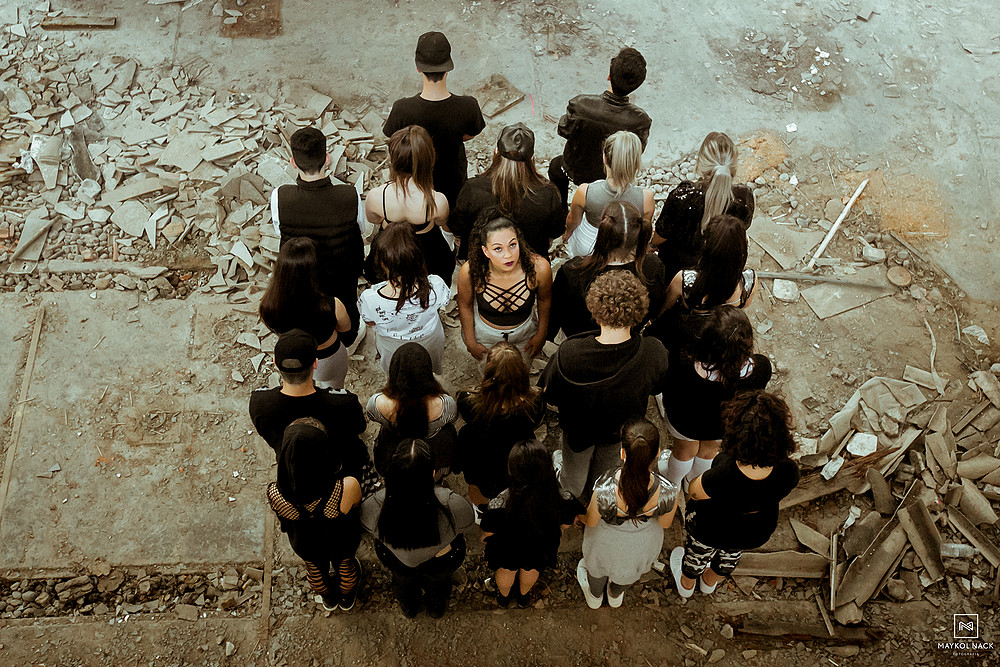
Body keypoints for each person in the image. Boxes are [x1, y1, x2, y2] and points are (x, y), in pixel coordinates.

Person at [540, 271, 669, 500]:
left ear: (595, 308)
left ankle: (570, 495)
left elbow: (551, 396)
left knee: (573, 479)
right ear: (639, 309)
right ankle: (597, 498)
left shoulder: (569, 353)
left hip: (578, 432)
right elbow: (657, 388)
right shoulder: (654, 353)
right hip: (618, 433)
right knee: (606, 474)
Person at [669, 390, 799, 598]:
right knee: (730, 556)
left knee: (697, 554)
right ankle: (709, 583)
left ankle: (687, 583)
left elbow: (694, 492)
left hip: (712, 527)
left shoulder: (724, 471)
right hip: (754, 530)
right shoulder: (789, 470)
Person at [657, 306, 773, 490]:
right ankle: (692, 485)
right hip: (723, 424)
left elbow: (669, 389)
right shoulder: (761, 368)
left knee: (684, 451)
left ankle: (672, 483)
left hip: (685, 421)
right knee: (709, 452)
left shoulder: (685, 363)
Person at [270, 126, 365, 347]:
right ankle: (347, 340)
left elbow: (280, 231)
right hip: (342, 274)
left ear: (293, 162)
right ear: (328, 158)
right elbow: (359, 229)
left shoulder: (280, 196)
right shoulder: (349, 195)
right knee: (348, 306)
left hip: (301, 273)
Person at [361, 439, 476, 618]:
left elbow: (366, 523)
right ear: (432, 473)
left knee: (402, 582)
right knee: (439, 584)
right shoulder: (453, 504)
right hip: (441, 561)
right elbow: (468, 523)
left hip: (396, 558)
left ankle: (409, 609)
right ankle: (436, 610)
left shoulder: (373, 506)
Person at [248, 330, 375, 492]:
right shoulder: (343, 402)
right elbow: (360, 427)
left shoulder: (260, 402)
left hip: (293, 466)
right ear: (315, 363)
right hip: (342, 467)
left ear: (275, 362)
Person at [578, 417, 678, 609]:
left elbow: (590, 521)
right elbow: (665, 524)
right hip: (643, 543)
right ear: (657, 453)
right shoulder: (669, 491)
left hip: (605, 541)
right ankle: (615, 595)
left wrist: (579, 517)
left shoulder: (605, 490)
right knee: (630, 571)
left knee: (597, 568)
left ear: (622, 453)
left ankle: (595, 596)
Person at [383, 31, 486, 209]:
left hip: (415, 185)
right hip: (453, 184)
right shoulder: (468, 106)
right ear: (448, 67)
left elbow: (393, 141)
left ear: (418, 67)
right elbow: (469, 134)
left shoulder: (402, 109)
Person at [267, 418, 362, 611]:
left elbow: (283, 521)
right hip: (340, 539)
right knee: (346, 566)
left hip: (306, 543)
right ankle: (346, 598)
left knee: (315, 570)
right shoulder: (347, 486)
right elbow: (357, 505)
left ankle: (328, 598)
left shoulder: (274, 493)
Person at [481, 440, 583, 608]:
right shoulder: (562, 498)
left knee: (506, 571)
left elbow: (488, 531)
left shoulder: (499, 503)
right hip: (541, 544)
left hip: (507, 546)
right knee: (531, 570)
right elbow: (566, 523)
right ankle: (523, 597)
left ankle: (504, 599)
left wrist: (484, 536)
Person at [548, 48, 652, 206]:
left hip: (575, 169)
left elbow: (563, 130)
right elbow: (637, 149)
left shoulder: (580, 104)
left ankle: (561, 207)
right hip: (613, 175)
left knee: (556, 168)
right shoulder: (640, 121)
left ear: (609, 76)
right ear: (636, 86)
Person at [548, 200, 665, 339]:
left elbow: (557, 312)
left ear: (603, 231)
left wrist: (548, 335)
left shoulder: (574, 271)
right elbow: (656, 306)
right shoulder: (653, 267)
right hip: (630, 337)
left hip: (582, 339)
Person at [646, 213, 757, 352]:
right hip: (718, 339)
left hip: (683, 336)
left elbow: (664, 308)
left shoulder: (685, 280)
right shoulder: (750, 281)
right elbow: (743, 305)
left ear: (706, 246)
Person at [451, 123, 565, 259]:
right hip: (529, 262)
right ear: (531, 159)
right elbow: (555, 231)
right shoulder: (548, 193)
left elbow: (457, 226)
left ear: (496, 152)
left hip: (482, 260)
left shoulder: (472, 189)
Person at [652, 132, 755, 279]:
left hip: (676, 267)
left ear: (701, 163)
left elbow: (662, 233)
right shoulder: (743, 198)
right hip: (717, 267)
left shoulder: (683, 195)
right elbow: (742, 228)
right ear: (733, 166)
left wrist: (651, 245)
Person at [453, 342, 545, 505]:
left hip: (480, 455)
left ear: (489, 372)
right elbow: (536, 422)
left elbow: (466, 419)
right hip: (516, 458)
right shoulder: (535, 403)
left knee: (478, 487)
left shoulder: (468, 401)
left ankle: (482, 512)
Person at [364, 125, 454, 285]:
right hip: (427, 251)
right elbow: (441, 222)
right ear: (428, 159)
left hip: (390, 248)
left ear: (393, 159)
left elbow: (374, 220)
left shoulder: (377, 196)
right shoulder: (437, 201)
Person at [456, 212, 553, 360]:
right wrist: (471, 341)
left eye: (512, 245)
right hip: (486, 336)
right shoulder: (471, 271)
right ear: (485, 251)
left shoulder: (539, 268)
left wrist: (541, 334)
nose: (508, 255)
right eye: (498, 249)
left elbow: (544, 300)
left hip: (525, 335)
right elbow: (465, 305)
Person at [259, 237, 352, 390]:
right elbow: (345, 328)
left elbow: (273, 328)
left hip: (293, 359)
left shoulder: (268, 304)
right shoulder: (333, 304)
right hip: (327, 358)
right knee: (334, 389)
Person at [358, 222, 451, 374]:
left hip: (391, 344)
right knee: (429, 367)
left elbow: (369, 321)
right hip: (429, 338)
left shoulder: (370, 298)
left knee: (395, 371)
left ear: (381, 263)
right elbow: (442, 303)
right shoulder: (435, 284)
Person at [367, 342, 458, 478]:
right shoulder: (445, 405)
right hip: (433, 452)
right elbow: (453, 418)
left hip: (394, 449)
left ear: (394, 370)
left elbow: (372, 416)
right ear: (427, 372)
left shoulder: (377, 403)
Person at [563, 131, 654, 259]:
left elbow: (573, 221)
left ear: (604, 158)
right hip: (624, 249)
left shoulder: (585, 191)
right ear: (635, 163)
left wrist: (567, 233)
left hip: (589, 246)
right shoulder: (646, 198)